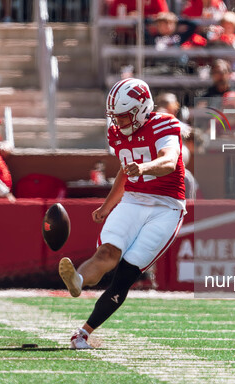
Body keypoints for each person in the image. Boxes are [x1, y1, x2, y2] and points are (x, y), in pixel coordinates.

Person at [58, 78, 186, 349]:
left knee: (125, 274)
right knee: (106, 254)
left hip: (166, 207)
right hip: (133, 200)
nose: (119, 121)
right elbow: (124, 170)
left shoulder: (164, 123)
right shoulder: (117, 132)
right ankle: (77, 280)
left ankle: (83, 332)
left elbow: (169, 161)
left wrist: (144, 168)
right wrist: (107, 205)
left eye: (124, 115)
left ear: (142, 108)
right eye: (115, 116)